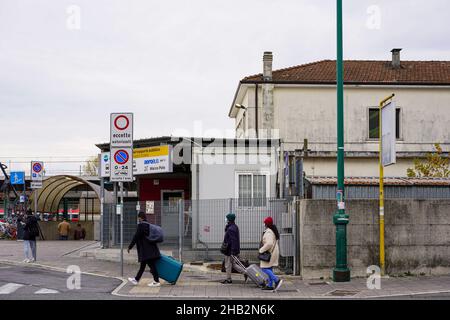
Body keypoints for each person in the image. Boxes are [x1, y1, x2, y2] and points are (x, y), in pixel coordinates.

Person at [127, 212, 161, 287]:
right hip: (150, 249)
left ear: (140, 218)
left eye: (138, 218)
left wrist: (130, 247)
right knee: (143, 266)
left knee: (152, 266)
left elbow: (136, 237)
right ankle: (136, 279)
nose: (138, 219)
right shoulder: (148, 225)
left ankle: (156, 281)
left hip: (147, 251)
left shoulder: (141, 226)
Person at [221, 213, 246, 284]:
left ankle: (228, 279)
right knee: (233, 264)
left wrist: (232, 251)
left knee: (228, 265)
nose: (225, 219)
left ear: (229, 219)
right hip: (232, 250)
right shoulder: (234, 227)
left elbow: (233, 241)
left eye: (226, 218)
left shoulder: (231, 228)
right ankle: (245, 272)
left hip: (229, 250)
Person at [259, 216, 283, 291]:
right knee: (269, 268)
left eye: (264, 223)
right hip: (273, 252)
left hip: (269, 253)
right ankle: (270, 285)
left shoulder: (269, 232)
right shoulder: (272, 230)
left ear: (266, 224)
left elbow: (269, 243)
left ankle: (276, 280)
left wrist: (261, 250)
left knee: (264, 268)